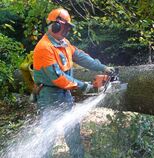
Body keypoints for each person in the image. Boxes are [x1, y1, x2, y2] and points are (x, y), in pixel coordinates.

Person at [33, 8, 114, 157]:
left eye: (68, 28)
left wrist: (103, 67)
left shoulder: (64, 43)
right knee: (49, 136)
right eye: (65, 27)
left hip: (65, 94)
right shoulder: (44, 48)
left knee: (73, 133)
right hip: (49, 95)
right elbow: (59, 78)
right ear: (55, 25)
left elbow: (81, 57)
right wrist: (85, 86)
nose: (67, 31)